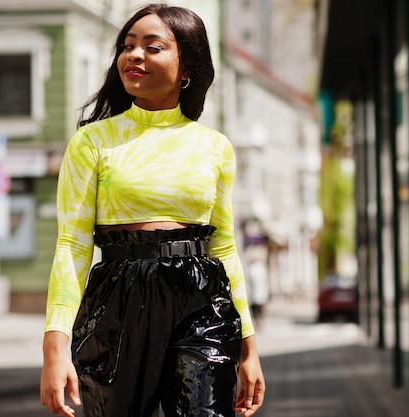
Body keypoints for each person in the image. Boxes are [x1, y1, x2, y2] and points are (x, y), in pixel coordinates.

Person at [39, 3, 265, 417]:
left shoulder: (214, 147)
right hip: (117, 298)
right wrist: (55, 346)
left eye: (152, 46)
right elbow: (72, 245)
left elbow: (226, 248)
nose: (134, 55)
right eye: (127, 46)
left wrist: (249, 347)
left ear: (187, 67)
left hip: (202, 297)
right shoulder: (91, 143)